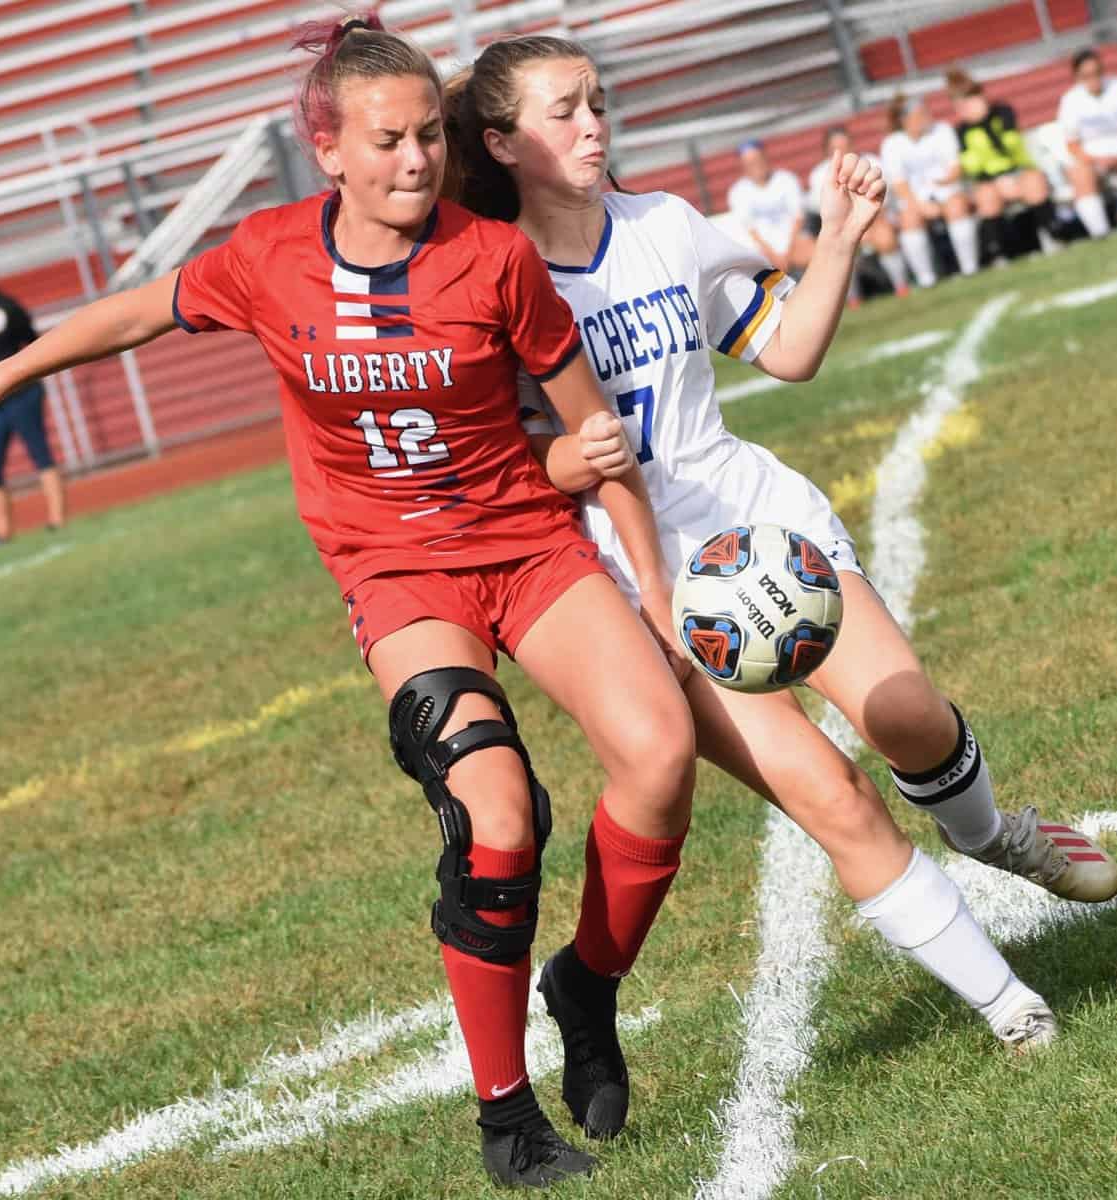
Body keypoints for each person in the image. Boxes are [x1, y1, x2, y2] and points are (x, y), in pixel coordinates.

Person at [0, 16, 700, 1189]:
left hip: (525, 545)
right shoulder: (267, 255)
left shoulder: (492, 260)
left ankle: (585, 984)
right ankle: (507, 1120)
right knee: (497, 815)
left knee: (658, 754)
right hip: (395, 574)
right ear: (326, 148)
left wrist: (649, 588)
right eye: (387, 141)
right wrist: (0, 374)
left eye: (430, 136)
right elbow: (139, 311)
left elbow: (590, 435)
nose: (415, 161)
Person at [446, 32, 1117, 1105]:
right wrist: (563, 458)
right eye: (563, 111)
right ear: (500, 142)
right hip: (637, 581)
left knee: (903, 714)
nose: (592, 126)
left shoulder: (663, 226)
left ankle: (995, 835)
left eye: (597, 103)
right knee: (831, 793)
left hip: (752, 520)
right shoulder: (484, 275)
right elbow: (483, 459)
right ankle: (1013, 1011)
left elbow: (788, 349)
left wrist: (840, 234)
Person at [0, 245, 66, 544]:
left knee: (40, 453)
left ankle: (58, 521)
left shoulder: (8, 307)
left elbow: (33, 345)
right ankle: (2, 532)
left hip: (23, 394)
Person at [945, 67, 1061, 260]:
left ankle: (1052, 236)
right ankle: (998, 252)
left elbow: (1011, 147)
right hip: (990, 181)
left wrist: (985, 124)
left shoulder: (1003, 113)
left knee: (1033, 183)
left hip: (1018, 170)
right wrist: (997, 181)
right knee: (986, 196)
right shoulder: (961, 131)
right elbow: (972, 166)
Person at [880, 94, 980, 286]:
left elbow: (955, 168)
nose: (925, 118)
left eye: (925, 113)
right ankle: (926, 279)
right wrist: (920, 206)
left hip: (946, 191)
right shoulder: (892, 144)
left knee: (956, 207)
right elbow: (899, 183)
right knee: (909, 219)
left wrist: (942, 186)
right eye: (919, 115)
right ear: (905, 120)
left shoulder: (942, 130)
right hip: (915, 198)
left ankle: (970, 268)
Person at [807, 126, 910, 300]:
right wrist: (854, 230)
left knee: (885, 236)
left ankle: (902, 286)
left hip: (876, 222)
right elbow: (824, 215)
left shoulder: (871, 162)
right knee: (839, 247)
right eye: (836, 149)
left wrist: (864, 228)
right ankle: (852, 299)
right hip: (842, 228)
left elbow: (882, 203)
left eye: (846, 146)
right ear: (827, 151)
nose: (844, 152)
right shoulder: (819, 176)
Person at [726, 141, 815, 275]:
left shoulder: (786, 179)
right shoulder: (738, 192)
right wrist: (774, 257)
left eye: (757, 160)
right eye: (750, 163)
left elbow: (798, 219)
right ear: (743, 166)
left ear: (765, 158)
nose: (756, 165)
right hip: (764, 251)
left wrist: (788, 253)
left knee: (821, 254)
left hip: (794, 243)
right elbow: (751, 232)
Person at [1057, 47, 1117, 239]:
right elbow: (1072, 144)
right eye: (1087, 75)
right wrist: (1098, 160)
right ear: (1077, 77)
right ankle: (1100, 234)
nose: (1094, 78)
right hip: (1092, 158)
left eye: (1097, 72)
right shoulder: (1070, 100)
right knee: (1080, 173)